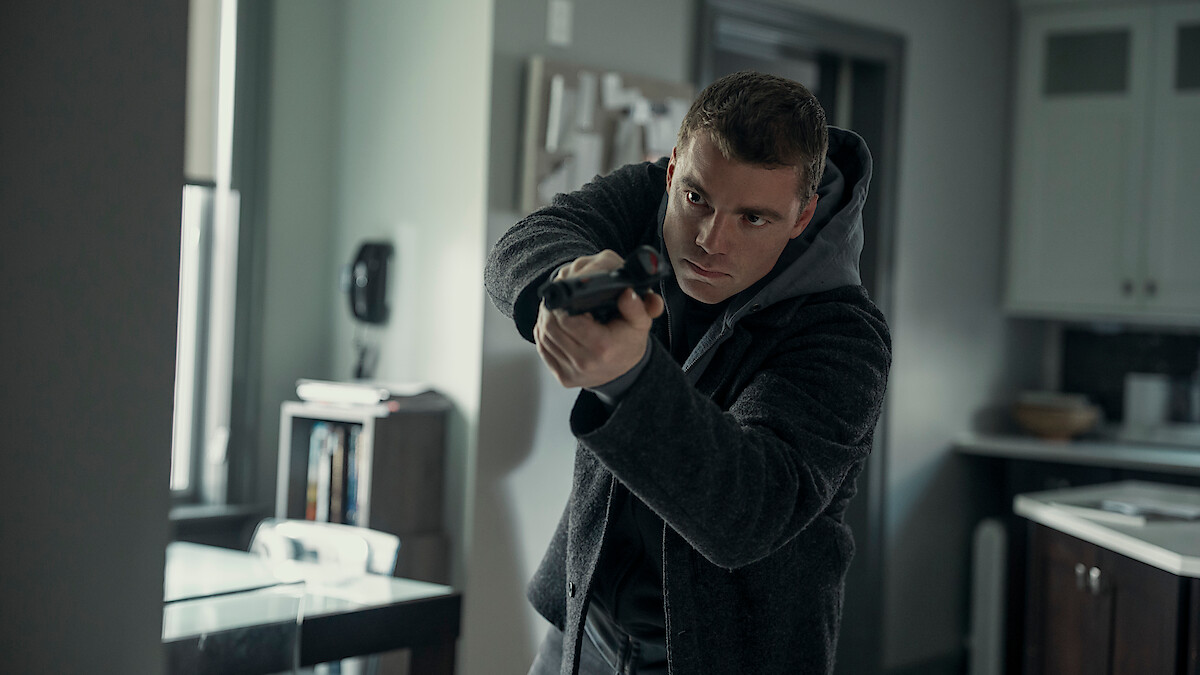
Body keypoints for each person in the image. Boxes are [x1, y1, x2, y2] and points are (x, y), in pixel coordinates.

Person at [484, 70, 891, 675]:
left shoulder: (844, 335)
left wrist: (628, 379)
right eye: (697, 199)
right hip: (585, 627)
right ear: (673, 172)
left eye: (753, 219)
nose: (710, 240)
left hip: (728, 657)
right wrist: (567, 288)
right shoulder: (657, 194)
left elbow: (747, 513)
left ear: (802, 217)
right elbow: (526, 242)